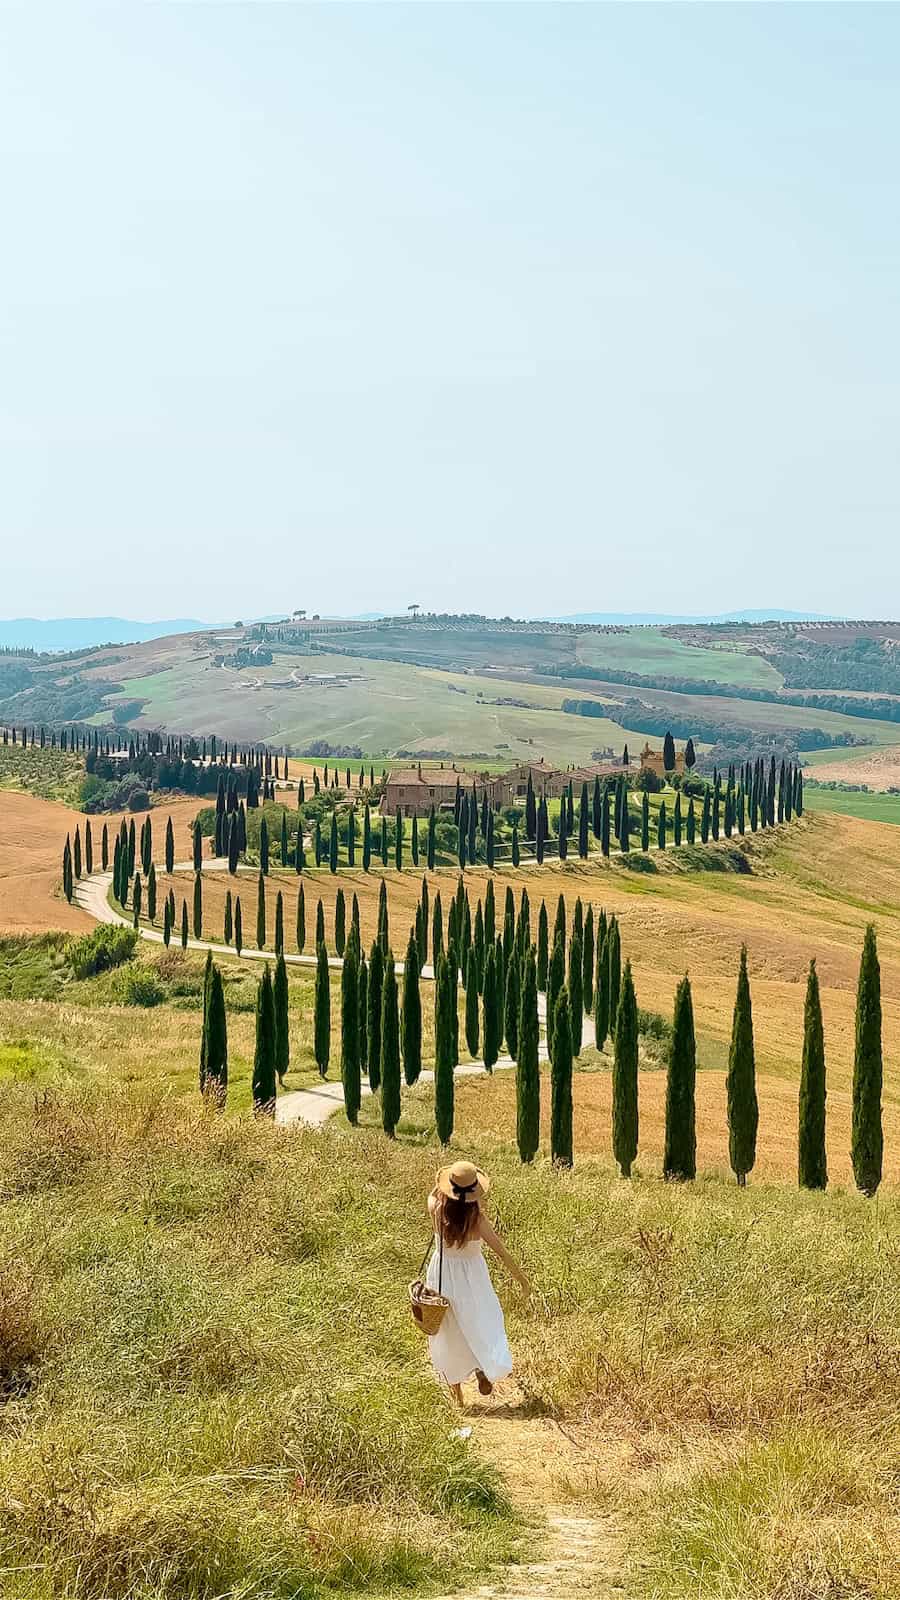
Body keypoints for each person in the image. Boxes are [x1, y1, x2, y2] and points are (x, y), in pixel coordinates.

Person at [425, 1159, 530, 1404]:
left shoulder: (436, 1210)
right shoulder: (478, 1221)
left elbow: (433, 1193)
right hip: (473, 1277)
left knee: (449, 1330)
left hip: (442, 1274)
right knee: (481, 1320)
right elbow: (502, 1253)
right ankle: (483, 1368)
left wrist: (445, 1179)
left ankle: (458, 1395)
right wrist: (522, 1279)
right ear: (474, 1194)